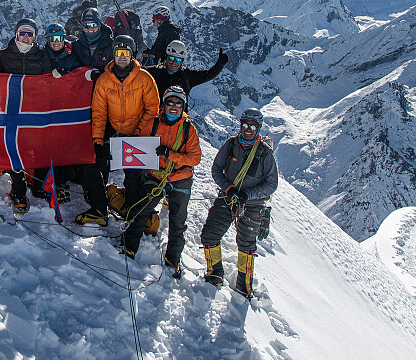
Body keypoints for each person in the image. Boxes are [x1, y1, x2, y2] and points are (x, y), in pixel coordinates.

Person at [115, 87, 201, 279]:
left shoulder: (189, 129)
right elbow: (141, 146)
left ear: (183, 107)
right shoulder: (153, 124)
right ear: (164, 104)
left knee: (178, 222)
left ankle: (173, 260)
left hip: (180, 178)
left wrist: (170, 155)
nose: (173, 107)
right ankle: (129, 247)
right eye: (170, 102)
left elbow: (195, 158)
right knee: (141, 210)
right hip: (157, 175)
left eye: (178, 104)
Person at [75, 35, 160, 226]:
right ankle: (99, 209)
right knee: (91, 166)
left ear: (132, 55)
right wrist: (97, 140)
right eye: (118, 52)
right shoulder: (105, 80)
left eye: (126, 53)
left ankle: (135, 214)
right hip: (114, 132)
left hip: (136, 134)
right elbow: (98, 112)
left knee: (134, 177)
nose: (122, 57)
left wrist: (139, 133)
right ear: (113, 54)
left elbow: (152, 109)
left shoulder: (145, 79)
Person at [200, 107, 278, 296]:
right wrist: (229, 189)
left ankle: (244, 285)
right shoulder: (231, 144)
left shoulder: (264, 153)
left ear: (258, 127)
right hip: (229, 198)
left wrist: (247, 195)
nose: (248, 129)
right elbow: (216, 169)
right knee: (209, 235)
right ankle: (214, 274)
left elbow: (271, 184)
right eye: (245, 125)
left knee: (246, 246)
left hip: (251, 205)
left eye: (252, 126)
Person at [0, 18, 53, 212]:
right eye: (22, 33)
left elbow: (48, 81)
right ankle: (19, 193)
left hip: (35, 110)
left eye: (30, 34)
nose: (26, 37)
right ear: (16, 34)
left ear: (35, 37)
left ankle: (40, 187)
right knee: (15, 150)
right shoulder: (3, 56)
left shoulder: (42, 56)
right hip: (12, 112)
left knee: (41, 148)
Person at [43, 23, 83, 204]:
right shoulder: (42, 57)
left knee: (63, 144)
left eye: (59, 38)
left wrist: (66, 75)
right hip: (44, 107)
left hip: (65, 107)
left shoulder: (71, 58)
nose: (56, 42)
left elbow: (79, 78)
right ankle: (47, 179)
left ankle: (61, 180)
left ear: (64, 39)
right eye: (52, 39)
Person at [145, 40, 229, 99]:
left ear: (182, 61)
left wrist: (219, 65)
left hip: (179, 120)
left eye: (178, 60)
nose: (174, 62)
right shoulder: (156, 72)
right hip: (157, 117)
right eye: (171, 58)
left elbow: (208, 75)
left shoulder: (187, 75)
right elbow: (139, 72)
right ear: (166, 57)